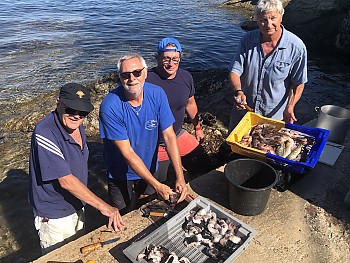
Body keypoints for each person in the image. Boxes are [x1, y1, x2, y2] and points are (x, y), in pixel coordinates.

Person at [29, 83, 125, 254]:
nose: (76, 115)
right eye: (70, 109)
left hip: (77, 204)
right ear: (58, 103)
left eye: (82, 112)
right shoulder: (44, 132)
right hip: (54, 216)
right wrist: (105, 207)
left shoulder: (77, 125)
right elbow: (66, 180)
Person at [99, 53, 188, 214]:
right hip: (121, 172)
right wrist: (157, 185)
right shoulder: (110, 106)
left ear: (145, 73)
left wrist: (180, 177)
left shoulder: (157, 94)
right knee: (123, 214)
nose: (132, 78)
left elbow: (169, 136)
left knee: (147, 206)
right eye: (126, 75)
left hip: (149, 165)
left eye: (137, 72)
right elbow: (127, 153)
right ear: (120, 77)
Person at [228, 0, 308, 133]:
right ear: (257, 21)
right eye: (263, 20)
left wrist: (290, 107)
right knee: (233, 149)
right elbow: (235, 71)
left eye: (273, 18)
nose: (268, 24)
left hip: (274, 118)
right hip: (243, 114)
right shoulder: (247, 40)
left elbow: (298, 83)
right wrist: (238, 91)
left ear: (281, 17)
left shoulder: (297, 47)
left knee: (265, 149)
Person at [146, 37, 213, 181]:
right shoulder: (146, 80)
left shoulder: (186, 77)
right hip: (155, 143)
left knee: (206, 169)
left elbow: (190, 104)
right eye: (166, 59)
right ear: (157, 58)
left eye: (175, 59)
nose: (171, 64)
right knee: (153, 186)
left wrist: (198, 127)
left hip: (177, 134)